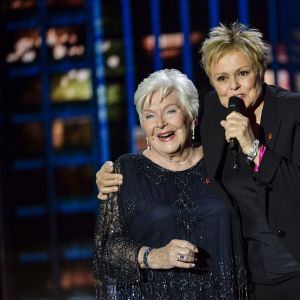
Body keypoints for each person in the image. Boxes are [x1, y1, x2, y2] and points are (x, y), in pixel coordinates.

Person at [95, 23, 300, 300]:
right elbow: (176, 146)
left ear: (260, 70)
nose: (233, 87)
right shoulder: (215, 110)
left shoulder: (292, 111)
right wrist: (106, 177)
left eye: (242, 73)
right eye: (222, 78)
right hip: (254, 278)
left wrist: (254, 148)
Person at [93, 69, 247, 299]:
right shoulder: (125, 171)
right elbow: (106, 251)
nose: (161, 124)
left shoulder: (220, 160)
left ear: (191, 117)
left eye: (170, 111)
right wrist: (154, 256)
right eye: (150, 116)